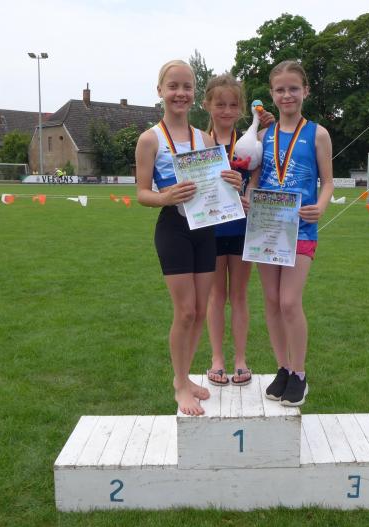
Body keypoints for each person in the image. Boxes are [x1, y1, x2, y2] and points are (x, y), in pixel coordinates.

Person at [135, 60, 244, 416]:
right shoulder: (150, 139)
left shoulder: (205, 139)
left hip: (205, 229)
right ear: (160, 91)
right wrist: (166, 197)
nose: (180, 93)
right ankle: (180, 384)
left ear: (194, 93)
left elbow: (218, 187)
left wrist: (234, 184)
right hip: (174, 228)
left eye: (186, 87)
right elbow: (142, 193)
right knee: (184, 312)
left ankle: (184, 377)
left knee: (198, 312)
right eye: (173, 86)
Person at [247, 60, 334, 406]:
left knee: (288, 301)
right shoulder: (263, 137)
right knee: (271, 301)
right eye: (280, 90)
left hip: (302, 227)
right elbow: (255, 180)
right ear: (272, 94)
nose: (287, 95)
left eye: (293, 89)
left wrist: (322, 206)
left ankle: (299, 373)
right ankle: (282, 367)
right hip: (267, 226)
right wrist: (248, 198)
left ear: (305, 91)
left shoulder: (318, 134)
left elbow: (328, 182)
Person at [201, 74, 255, 387]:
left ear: (241, 108)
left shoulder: (250, 144)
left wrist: (248, 196)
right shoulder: (198, 143)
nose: (226, 110)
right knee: (216, 296)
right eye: (220, 104)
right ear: (207, 105)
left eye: (233, 105)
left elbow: (257, 181)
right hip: (210, 230)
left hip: (242, 229)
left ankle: (240, 359)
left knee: (239, 295)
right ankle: (217, 359)